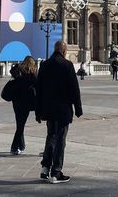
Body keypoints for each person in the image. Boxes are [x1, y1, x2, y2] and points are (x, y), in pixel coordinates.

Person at [35, 40, 82, 184]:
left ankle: (44, 168)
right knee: (60, 140)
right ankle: (56, 172)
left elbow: (39, 90)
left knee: (51, 137)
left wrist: (38, 111)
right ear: (64, 51)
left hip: (48, 109)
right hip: (62, 109)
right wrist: (78, 108)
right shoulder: (67, 65)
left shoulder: (44, 65)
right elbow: (74, 88)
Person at [8, 56, 37, 155]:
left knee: (19, 124)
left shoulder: (18, 71)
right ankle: (14, 147)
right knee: (20, 126)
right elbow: (37, 84)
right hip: (26, 102)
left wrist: (18, 66)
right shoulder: (32, 73)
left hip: (16, 101)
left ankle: (21, 146)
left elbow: (11, 70)